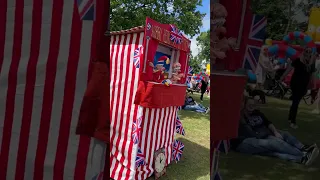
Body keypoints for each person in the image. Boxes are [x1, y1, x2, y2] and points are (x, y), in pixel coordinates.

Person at [230, 97, 319, 165]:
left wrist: (275, 132)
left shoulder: (257, 113)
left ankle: (303, 150)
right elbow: (251, 133)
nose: (251, 106)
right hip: (245, 141)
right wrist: (269, 135)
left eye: (253, 105)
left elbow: (268, 123)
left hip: (261, 134)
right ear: (244, 105)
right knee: (275, 144)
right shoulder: (240, 116)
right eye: (249, 105)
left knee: (281, 139)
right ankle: (303, 155)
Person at [280, 48, 317, 129]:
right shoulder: (298, 60)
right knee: (296, 102)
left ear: (311, 53)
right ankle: (292, 122)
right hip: (295, 84)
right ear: (303, 52)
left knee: (295, 102)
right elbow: (289, 69)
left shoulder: (311, 63)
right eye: (306, 51)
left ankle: (290, 118)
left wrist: (313, 85)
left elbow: (313, 75)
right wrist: (282, 77)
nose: (308, 53)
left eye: (310, 52)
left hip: (304, 85)